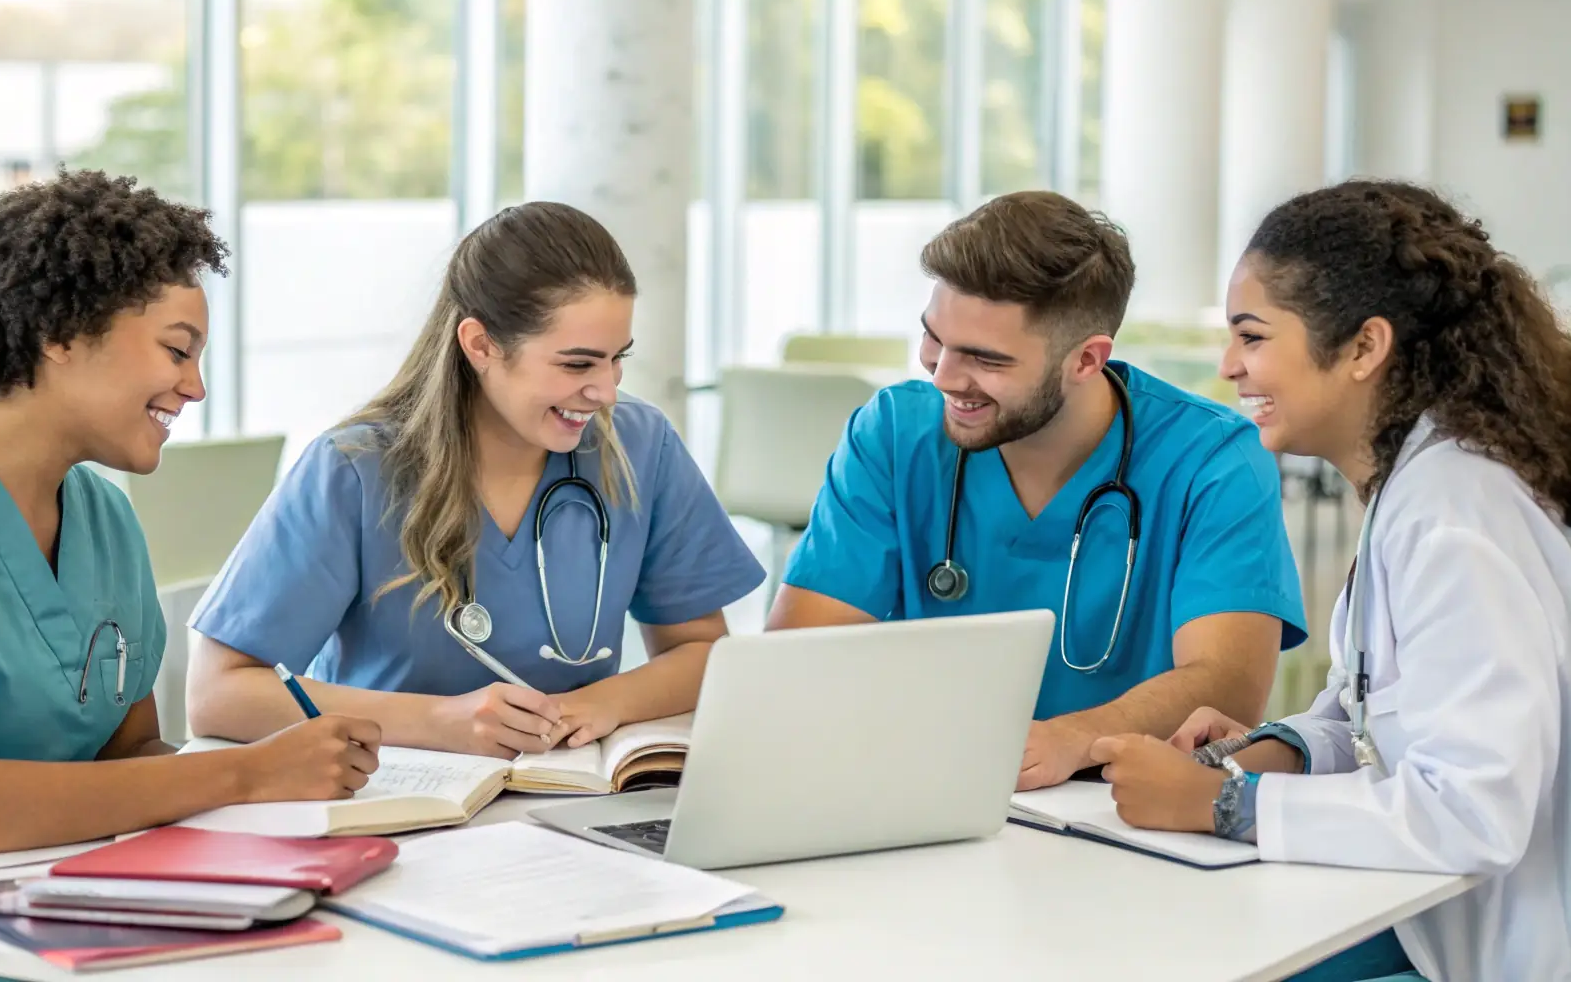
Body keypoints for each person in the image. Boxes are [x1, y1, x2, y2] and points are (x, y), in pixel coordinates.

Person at [0, 170, 381, 982]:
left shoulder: (105, 516)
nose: (194, 387)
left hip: (52, 910)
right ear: (62, 330)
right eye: (176, 350)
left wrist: (277, 804)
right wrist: (245, 771)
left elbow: (130, 755)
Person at [1092, 180, 1571, 982]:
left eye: (1252, 336)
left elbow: (1473, 811)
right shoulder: (1418, 483)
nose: (1228, 365)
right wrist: (1269, 751)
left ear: (1363, 347)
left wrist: (1220, 806)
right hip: (1435, 923)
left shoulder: (1455, 516)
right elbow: (1378, 710)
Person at [185, 201, 764, 760]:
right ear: (480, 344)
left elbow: (701, 649)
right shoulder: (354, 468)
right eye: (577, 364)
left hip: (565, 800)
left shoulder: (639, 445)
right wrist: (442, 722)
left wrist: (598, 704)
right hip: (393, 801)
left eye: (618, 359)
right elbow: (219, 694)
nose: (607, 391)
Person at [770, 191, 1306, 791]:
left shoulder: (1212, 459)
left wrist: (1075, 736)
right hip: (927, 784)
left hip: (1121, 805)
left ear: (1085, 360)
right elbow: (800, 658)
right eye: (933, 339)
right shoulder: (895, 433)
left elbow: (1228, 686)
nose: (944, 375)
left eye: (984, 359)